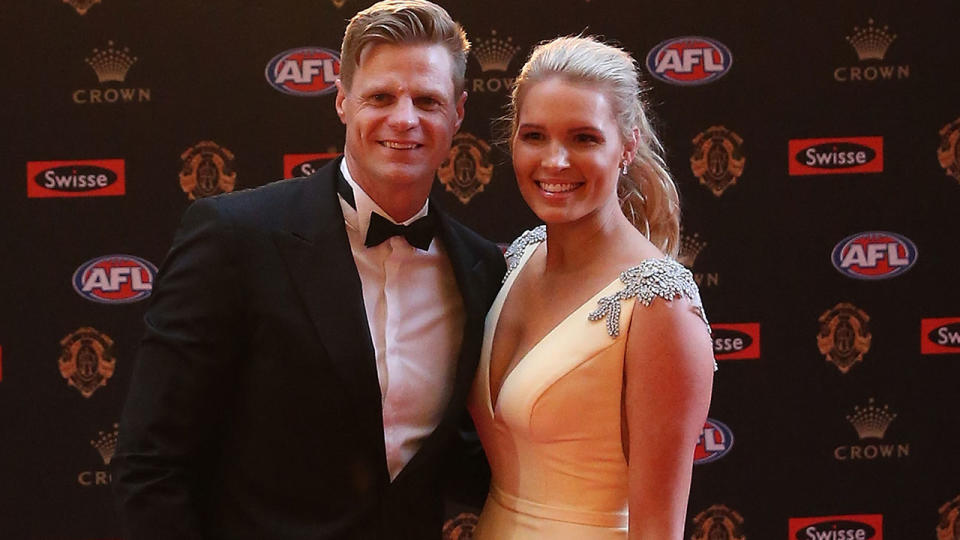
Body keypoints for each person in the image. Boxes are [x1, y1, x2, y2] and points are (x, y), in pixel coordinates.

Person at [111, 2, 506, 538]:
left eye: (428, 100)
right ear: (343, 101)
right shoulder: (235, 238)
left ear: (458, 113)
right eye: (381, 97)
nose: (405, 119)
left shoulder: (480, 268)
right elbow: (151, 463)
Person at [466, 36, 716, 539]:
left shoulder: (660, 306)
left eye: (583, 138)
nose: (555, 162)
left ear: (627, 145)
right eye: (535, 136)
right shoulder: (515, 261)